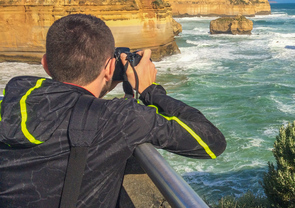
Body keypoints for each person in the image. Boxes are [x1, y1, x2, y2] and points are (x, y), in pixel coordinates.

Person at [0, 14, 226, 207]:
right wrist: (149, 91)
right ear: (110, 67)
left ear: (45, 63)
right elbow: (212, 142)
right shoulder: (120, 118)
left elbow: (71, 102)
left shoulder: (10, 100)